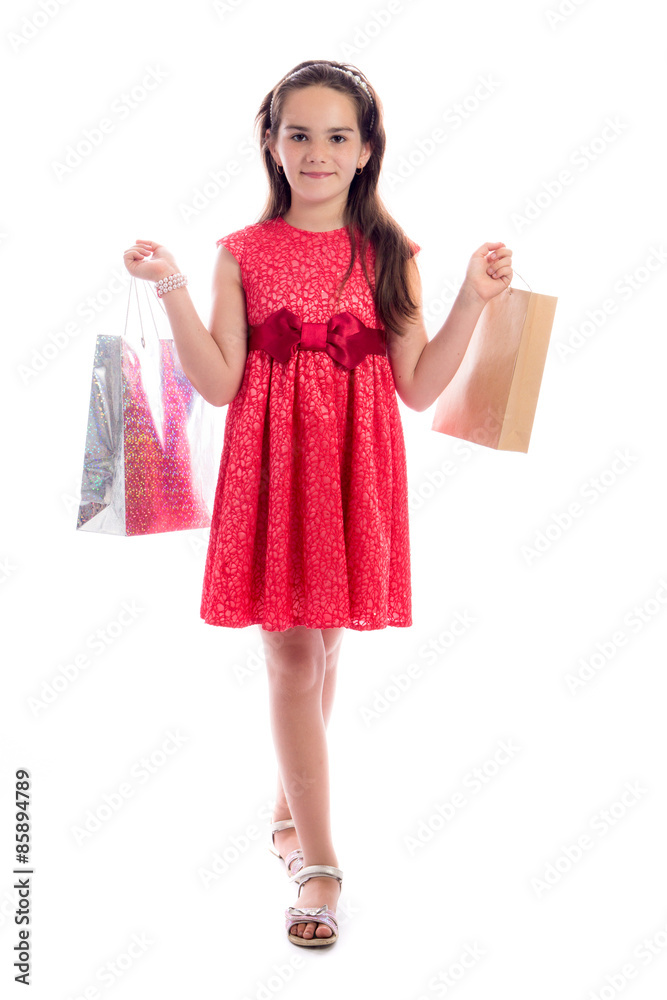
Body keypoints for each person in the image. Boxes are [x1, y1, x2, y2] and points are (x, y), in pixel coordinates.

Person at [123, 59, 513, 948]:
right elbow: (219, 383)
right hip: (271, 472)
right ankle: (320, 867)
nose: (317, 151)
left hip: (352, 470)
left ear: (367, 147)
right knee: (295, 660)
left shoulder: (388, 253)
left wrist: (470, 300)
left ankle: (285, 813)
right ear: (271, 140)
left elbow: (416, 385)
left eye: (339, 135)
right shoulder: (242, 253)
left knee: (327, 649)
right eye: (298, 133)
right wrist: (172, 284)